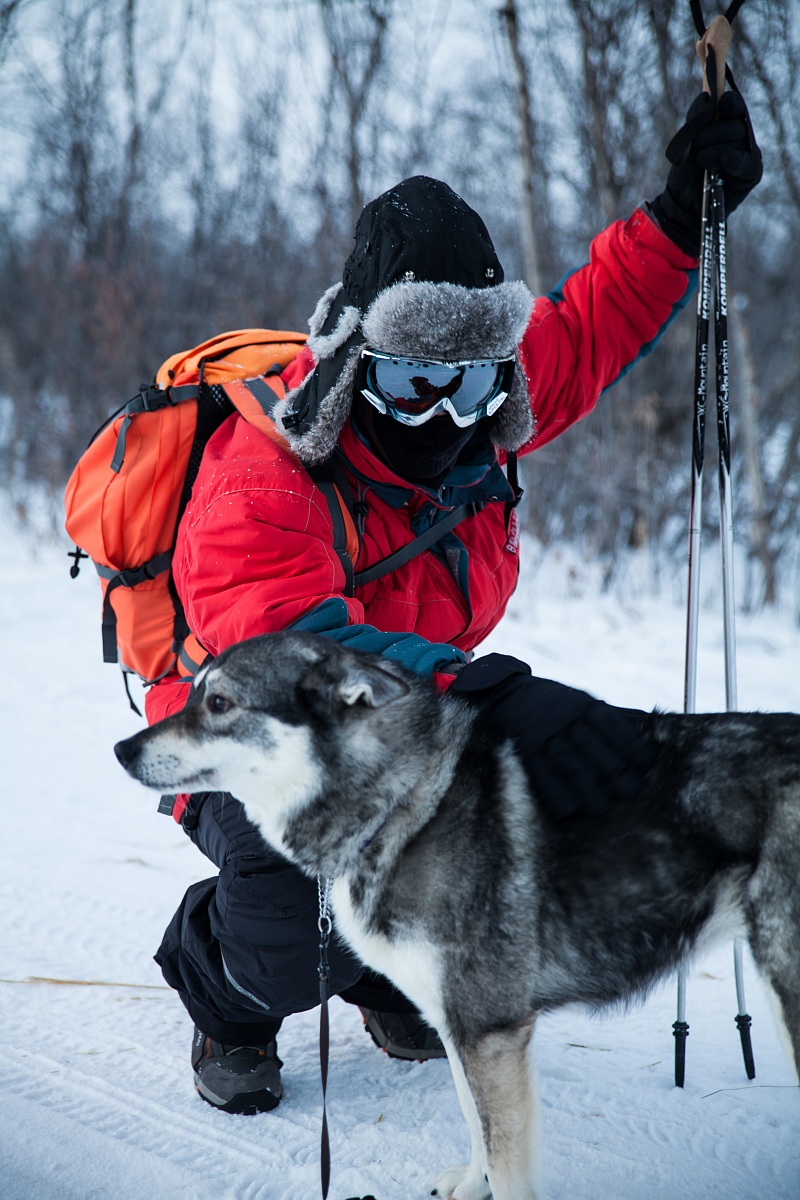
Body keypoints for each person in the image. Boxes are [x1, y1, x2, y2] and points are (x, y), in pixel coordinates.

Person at [144, 90, 761, 1114]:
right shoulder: (264, 472)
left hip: (416, 724)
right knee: (299, 927)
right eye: (412, 382)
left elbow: (596, 319)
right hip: (249, 737)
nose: (444, 414)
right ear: (351, 358)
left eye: (470, 384)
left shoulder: (489, 407)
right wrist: (481, 694)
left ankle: (384, 971)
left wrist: (676, 208)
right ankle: (229, 995)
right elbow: (286, 658)